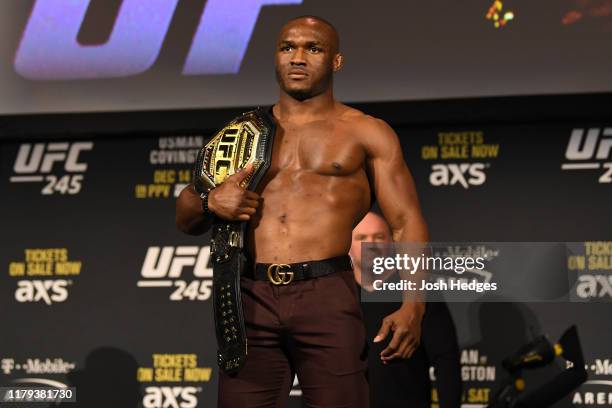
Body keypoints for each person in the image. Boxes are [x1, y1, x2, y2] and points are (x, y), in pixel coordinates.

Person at [176, 15, 428, 408]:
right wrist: (210, 202)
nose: (297, 57)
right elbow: (185, 214)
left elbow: (405, 219)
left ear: (336, 61)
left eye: (312, 48)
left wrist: (413, 305)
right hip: (250, 295)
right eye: (287, 48)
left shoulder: (366, 132)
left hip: (325, 292)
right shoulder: (242, 134)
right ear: (276, 58)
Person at [350, 212, 463, 408]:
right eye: (361, 238)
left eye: (379, 237)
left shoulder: (418, 293)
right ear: (347, 246)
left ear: (392, 243)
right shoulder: (335, 295)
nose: (371, 245)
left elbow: (446, 361)